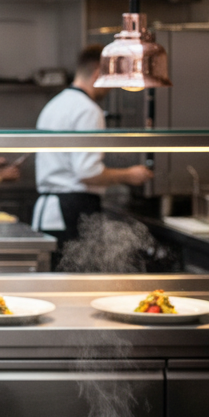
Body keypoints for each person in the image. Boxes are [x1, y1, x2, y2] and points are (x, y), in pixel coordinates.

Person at [32, 44, 152, 259]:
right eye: (110, 81)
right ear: (98, 73)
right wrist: (129, 175)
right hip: (73, 210)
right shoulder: (88, 109)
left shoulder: (55, 104)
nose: (111, 89)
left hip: (48, 210)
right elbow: (87, 172)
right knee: (75, 282)